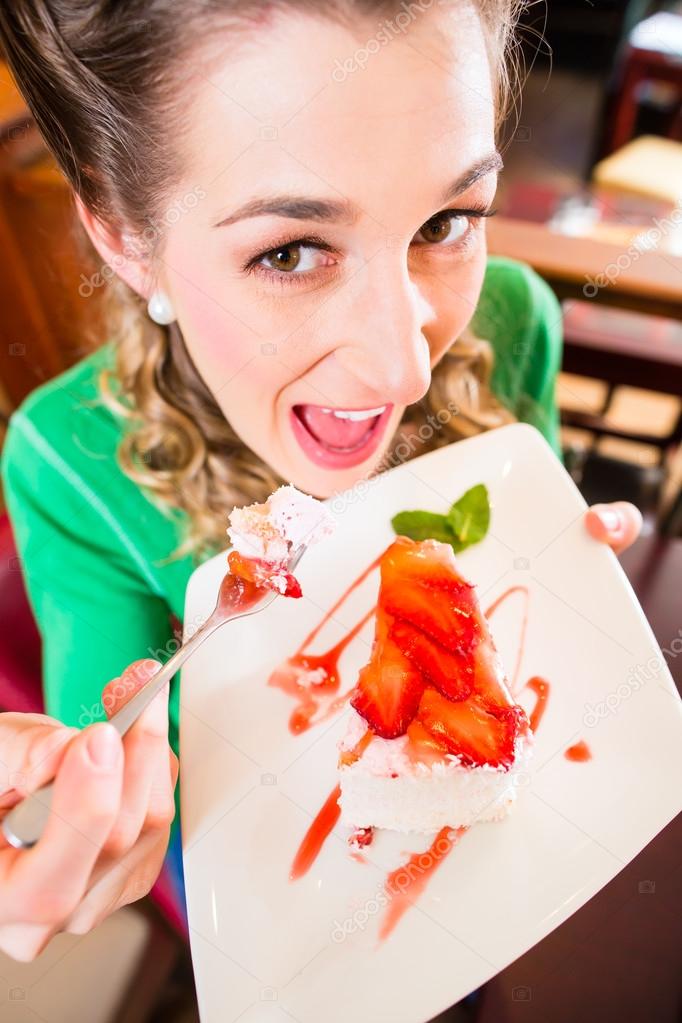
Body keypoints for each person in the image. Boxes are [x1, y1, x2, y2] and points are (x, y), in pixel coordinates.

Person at [0, 0, 641, 963]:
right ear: (126, 236)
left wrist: (567, 582)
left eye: (447, 220)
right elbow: (112, 773)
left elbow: (525, 594)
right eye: (288, 252)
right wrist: (90, 806)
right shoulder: (64, 460)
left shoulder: (515, 320)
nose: (404, 371)